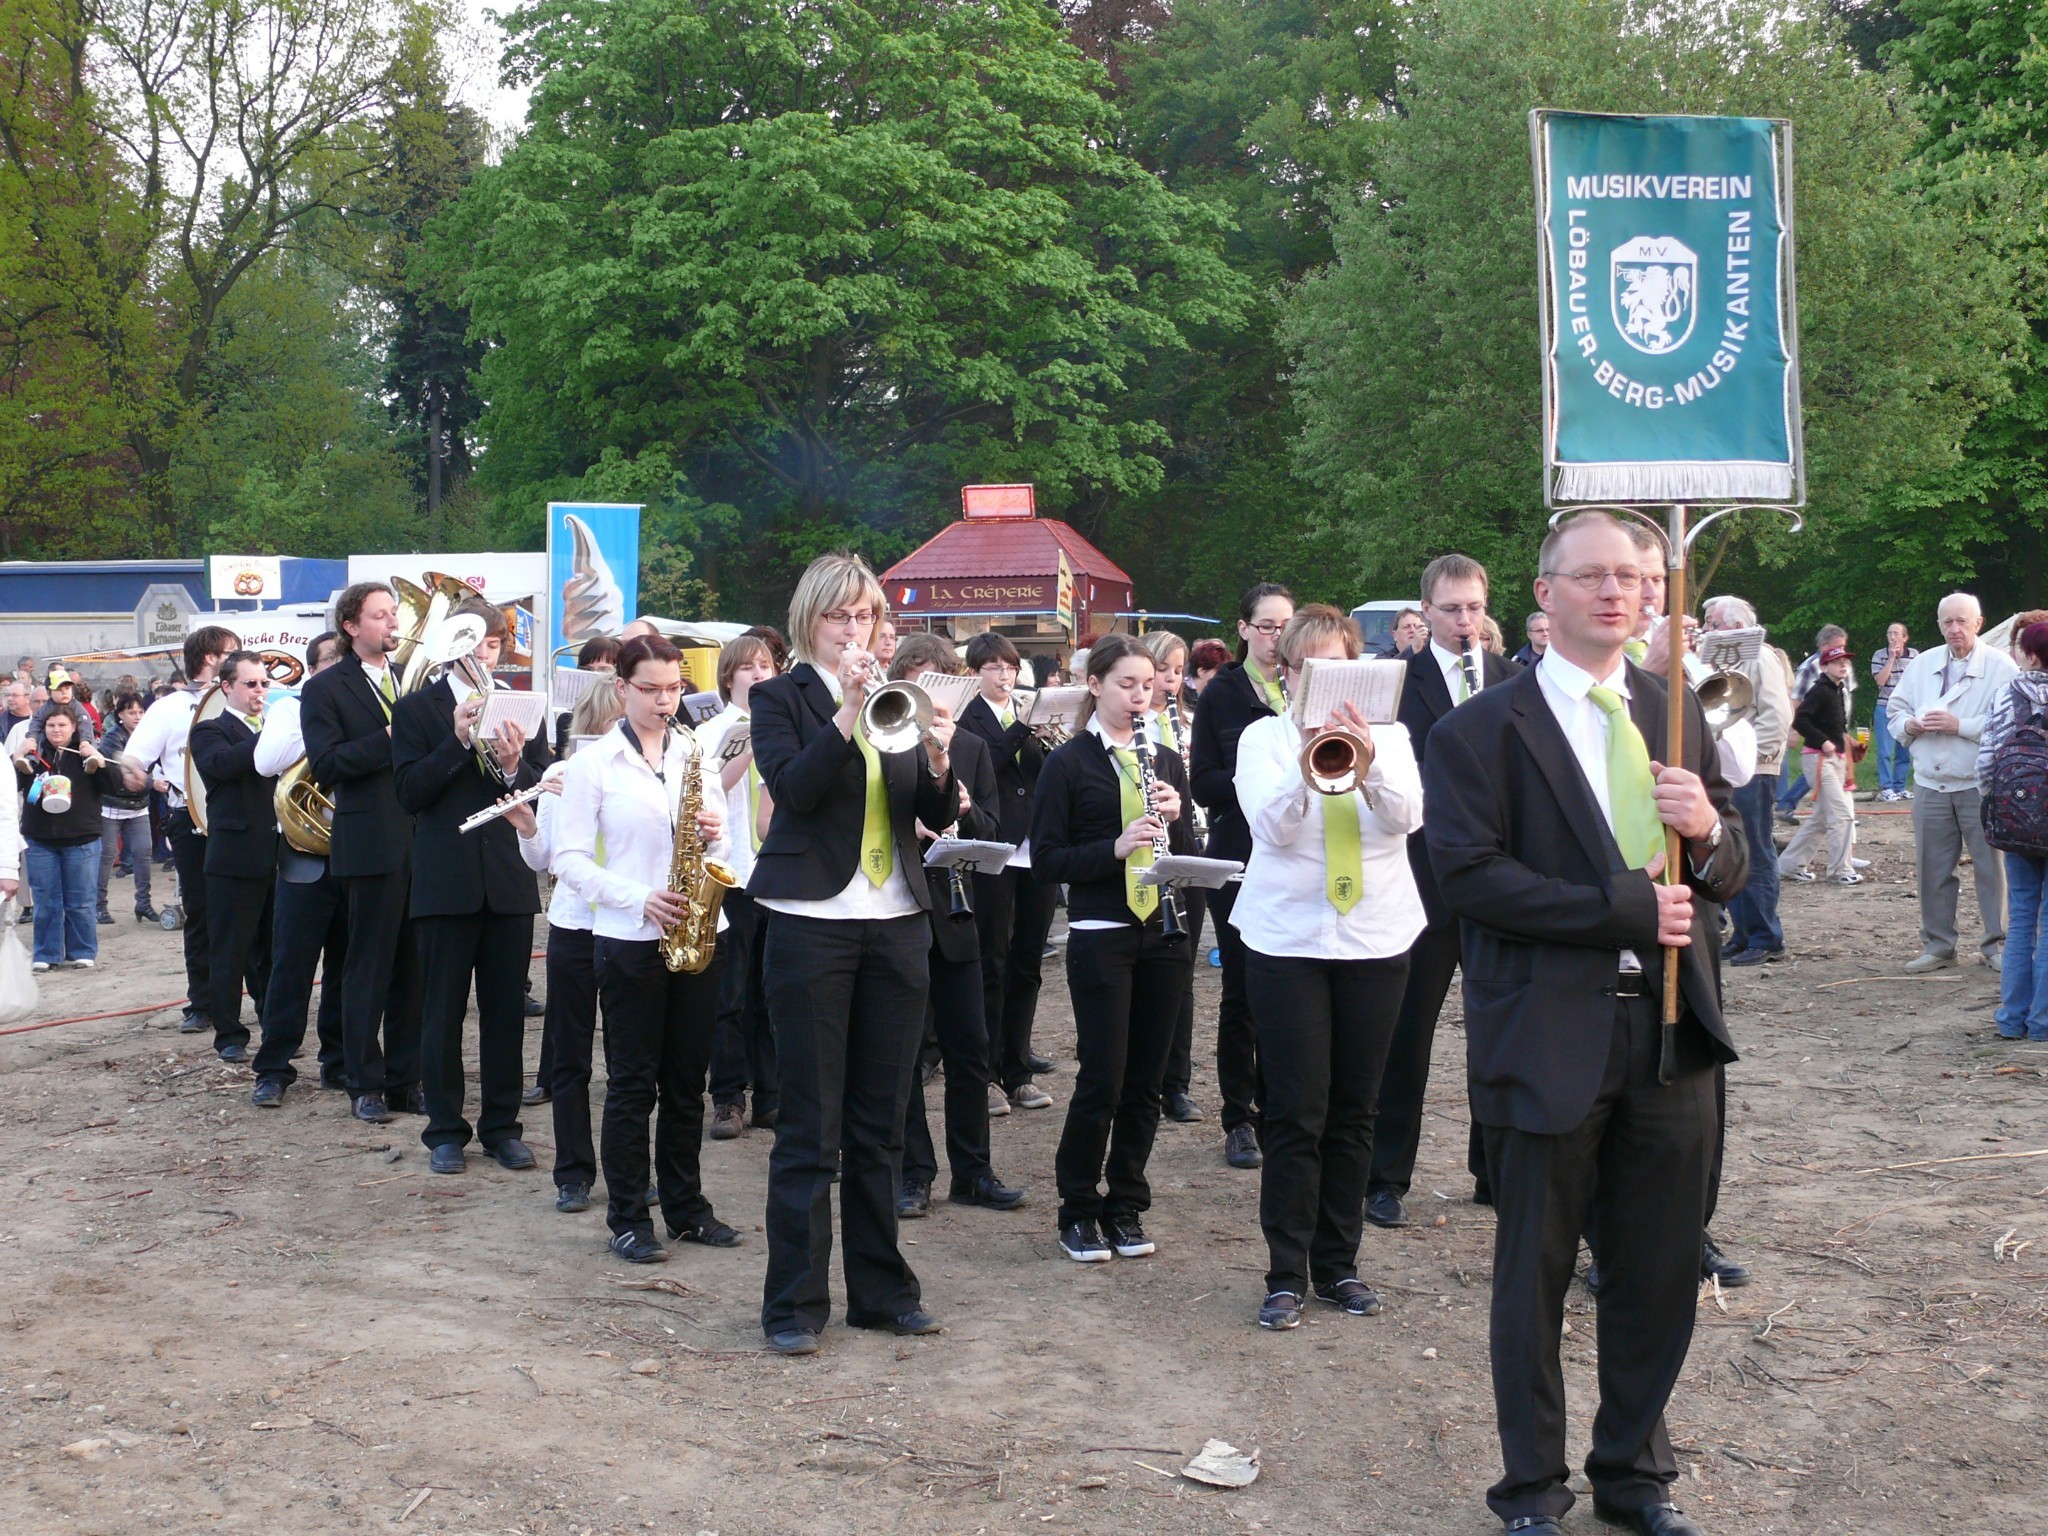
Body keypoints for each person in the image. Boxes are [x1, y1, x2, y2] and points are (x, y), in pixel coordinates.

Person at [1424, 509, 1747, 1536]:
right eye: (1592, 575)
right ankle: (1531, 1489)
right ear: (1544, 593)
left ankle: (1633, 1474)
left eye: (1634, 577)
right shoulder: (1478, 730)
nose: (1617, 592)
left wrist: (1708, 830)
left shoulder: (1673, 710)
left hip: (1671, 1033)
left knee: (1657, 1269)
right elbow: (1468, 878)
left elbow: (1730, 865)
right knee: (1534, 1272)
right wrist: (1620, 908)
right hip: (1545, 1036)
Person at [746, 552, 958, 1354]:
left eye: (866, 615)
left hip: (897, 918)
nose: (854, 629)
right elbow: (794, 792)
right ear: (810, 620)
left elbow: (930, 810)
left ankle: (881, 1292)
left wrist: (939, 756)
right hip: (812, 920)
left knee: (882, 1122)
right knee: (810, 1123)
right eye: (839, 616)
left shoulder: (897, 697)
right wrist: (846, 712)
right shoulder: (779, 697)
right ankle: (795, 1305)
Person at [1233, 606, 1424, 1330]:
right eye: (1309, 668)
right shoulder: (1262, 739)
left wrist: (1367, 761)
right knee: (1295, 1109)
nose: (1324, 682)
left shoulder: (1393, 736)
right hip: (1287, 939)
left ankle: (1339, 1264)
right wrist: (1307, 762)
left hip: (1376, 936)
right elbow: (1271, 829)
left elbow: (1408, 818)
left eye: (1338, 668)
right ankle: (1285, 1272)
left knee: (1355, 1108)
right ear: (1287, 673)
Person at [555, 634, 740, 1259]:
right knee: (634, 1084)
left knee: (687, 1082)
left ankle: (687, 1207)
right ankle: (629, 1218)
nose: (666, 701)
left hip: (698, 931)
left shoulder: (694, 752)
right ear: (621, 689)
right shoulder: (594, 765)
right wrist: (638, 898)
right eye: (651, 689)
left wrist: (714, 834)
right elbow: (569, 860)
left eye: (674, 688)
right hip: (630, 937)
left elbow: (721, 845)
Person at [1367, 554, 1520, 1229]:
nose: (1465, 621)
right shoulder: (1399, 685)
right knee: (1408, 1032)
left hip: (1501, 879)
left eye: (1474, 608)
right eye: (1451, 609)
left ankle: (1495, 1170)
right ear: (1425, 612)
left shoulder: (1515, 677)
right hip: (1424, 875)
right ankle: (1384, 1176)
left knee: (1502, 1029)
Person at [1033, 634, 1195, 1264]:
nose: (1139, 695)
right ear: (1095, 685)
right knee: (1103, 1076)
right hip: (1103, 931)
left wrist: (1177, 819)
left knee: (1146, 1081)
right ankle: (1077, 1208)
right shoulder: (1068, 763)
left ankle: (1126, 1203)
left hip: (1164, 932)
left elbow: (1184, 854)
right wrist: (1114, 849)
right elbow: (1048, 860)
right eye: (1127, 684)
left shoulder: (1166, 759)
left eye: (1148, 685)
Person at [392, 601, 549, 1175]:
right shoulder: (416, 709)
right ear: (450, 645)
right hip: (445, 880)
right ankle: (444, 1131)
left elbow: (540, 786)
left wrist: (512, 767)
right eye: (474, 641)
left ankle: (502, 1128)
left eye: (492, 643)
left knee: (505, 1013)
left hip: (507, 880)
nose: (484, 652)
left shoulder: (521, 704)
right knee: (441, 1013)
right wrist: (457, 742)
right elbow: (409, 793)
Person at [890, 633, 1027, 1218]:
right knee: (902, 1056)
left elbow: (996, 831)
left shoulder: (970, 745)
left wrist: (964, 812)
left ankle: (973, 1172)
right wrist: (912, 829)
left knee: (970, 1049)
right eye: (919, 686)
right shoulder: (883, 739)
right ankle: (912, 1174)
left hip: (958, 909)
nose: (930, 700)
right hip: (899, 910)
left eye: (940, 687)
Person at [302, 582, 424, 1124]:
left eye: (394, 613)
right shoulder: (325, 688)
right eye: (380, 615)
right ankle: (364, 1082)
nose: (393, 622)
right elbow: (327, 765)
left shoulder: (411, 679)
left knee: (413, 971)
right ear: (351, 626)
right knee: (368, 968)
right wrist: (393, 737)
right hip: (370, 841)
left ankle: (406, 1080)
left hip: (420, 842)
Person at [1190, 582, 1295, 1172]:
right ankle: (1239, 1117)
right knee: (1243, 990)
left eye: (1285, 626)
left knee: (1290, 987)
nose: (1277, 636)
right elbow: (1203, 784)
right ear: (1244, 629)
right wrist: (1257, 776)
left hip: (1299, 853)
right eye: (1267, 626)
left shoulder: (1308, 684)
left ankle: (1282, 1108)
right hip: (1238, 852)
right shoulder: (1222, 693)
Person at [512, 684, 623, 1209]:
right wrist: (527, 825)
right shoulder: (562, 773)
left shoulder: (653, 773)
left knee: (630, 1062)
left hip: (630, 926)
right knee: (571, 1057)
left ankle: (628, 1171)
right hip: (575, 925)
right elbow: (543, 859)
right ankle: (573, 1173)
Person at [958, 631, 1059, 1113]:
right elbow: (987, 763)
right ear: (975, 673)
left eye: (1012, 667)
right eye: (995, 667)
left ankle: (1018, 1070)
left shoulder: (1028, 712)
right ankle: (985, 1074)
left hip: (1037, 847)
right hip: (996, 846)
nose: (1005, 676)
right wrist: (1023, 728)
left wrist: (1052, 741)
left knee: (1028, 962)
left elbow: (1045, 775)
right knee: (991, 962)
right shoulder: (967, 716)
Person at [1890, 592, 2018, 973]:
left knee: (1992, 870)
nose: (1955, 628)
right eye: (1948, 621)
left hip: (1981, 785)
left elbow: (2009, 722)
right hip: (1930, 783)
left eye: (1962, 621)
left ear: (1979, 623)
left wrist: (1959, 725)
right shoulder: (1922, 664)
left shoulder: (2001, 667)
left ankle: (1997, 945)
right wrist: (1910, 725)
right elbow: (1895, 710)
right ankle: (1939, 945)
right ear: (1939, 625)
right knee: (1932, 869)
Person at [249, 632, 351, 1105]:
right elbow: (266, 762)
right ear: (312, 670)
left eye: (345, 660)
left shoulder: (366, 705)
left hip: (355, 851)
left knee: (346, 968)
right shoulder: (291, 709)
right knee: (291, 966)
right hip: (304, 855)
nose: (340, 667)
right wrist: (324, 724)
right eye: (330, 660)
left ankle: (338, 1062)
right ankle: (273, 1068)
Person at [125, 625, 238, 1035]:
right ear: (211, 658)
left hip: (243, 817)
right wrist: (134, 773)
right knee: (201, 912)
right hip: (190, 818)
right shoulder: (168, 707)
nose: (239, 657)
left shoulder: (246, 697)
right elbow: (135, 758)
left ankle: (264, 1006)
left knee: (254, 914)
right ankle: (203, 1003)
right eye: (232, 652)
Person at [701, 633, 781, 1139]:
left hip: (775, 873)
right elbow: (710, 791)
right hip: (729, 873)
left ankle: (771, 1096)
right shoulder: (711, 731)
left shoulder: (786, 726)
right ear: (728, 676)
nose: (758, 674)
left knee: (772, 991)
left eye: (765, 666)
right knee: (728, 994)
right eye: (748, 667)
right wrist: (750, 745)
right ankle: (728, 1097)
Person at [187, 651, 281, 1063]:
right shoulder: (210, 730)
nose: (260, 691)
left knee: (273, 951)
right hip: (235, 857)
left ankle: (274, 1025)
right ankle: (229, 1033)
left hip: (278, 853)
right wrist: (276, 734)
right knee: (230, 949)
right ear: (226, 687)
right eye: (251, 684)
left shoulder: (272, 727)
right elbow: (224, 765)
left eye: (264, 684)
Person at [1703, 598, 1792, 967]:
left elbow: (1777, 713)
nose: (1706, 630)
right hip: (1729, 769)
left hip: (1754, 769)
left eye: (1712, 624)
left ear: (1737, 626)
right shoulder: (1727, 662)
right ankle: (1743, 933)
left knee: (1754, 850)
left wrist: (1756, 759)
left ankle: (1765, 936)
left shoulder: (1761, 658)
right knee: (1733, 850)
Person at [1143, 629, 1209, 1124]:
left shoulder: (1188, 722)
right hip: (1141, 851)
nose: (1170, 679)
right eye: (1161, 669)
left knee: (1181, 969)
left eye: (1177, 670)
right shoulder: (1129, 726)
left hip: (1188, 848)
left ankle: (1177, 1083)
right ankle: (1143, 1078)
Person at [14, 703, 124, 970]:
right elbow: (8, 786)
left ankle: (82, 951)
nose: (56, 730)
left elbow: (115, 786)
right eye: (51, 725)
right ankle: (46, 954)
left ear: (74, 727)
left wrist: (98, 760)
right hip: (40, 839)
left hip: (82, 838)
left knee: (81, 900)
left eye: (62, 725)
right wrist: (16, 757)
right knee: (45, 901)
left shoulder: (85, 753)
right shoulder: (33, 755)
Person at [1978, 621, 2048, 1040]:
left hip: (2018, 818)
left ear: (2032, 655)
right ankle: (2042, 1023)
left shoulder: (2007, 694)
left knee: (2021, 918)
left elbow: (1987, 760)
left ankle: (2010, 1019)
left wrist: (1997, 804)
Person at [1779, 646, 1859, 886]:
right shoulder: (1820, 690)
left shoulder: (1838, 690)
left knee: (1822, 818)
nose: (1843, 665)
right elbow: (1800, 719)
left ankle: (1789, 865)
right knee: (1841, 814)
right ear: (1824, 667)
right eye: (1837, 662)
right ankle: (1840, 871)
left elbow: (1834, 726)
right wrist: (1823, 741)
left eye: (1845, 661)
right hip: (1819, 759)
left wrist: (1849, 744)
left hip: (1835, 758)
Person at [1774, 624, 1849, 821]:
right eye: (1838, 647)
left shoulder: (1841, 669)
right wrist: (1793, 730)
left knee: (1825, 782)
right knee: (1818, 771)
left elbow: (1844, 698)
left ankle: (1833, 811)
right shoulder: (1811, 668)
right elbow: (1798, 701)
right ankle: (1787, 803)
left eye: (1844, 647)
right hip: (1819, 739)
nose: (1842, 652)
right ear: (1825, 646)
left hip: (1836, 734)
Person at [94, 692, 156, 925]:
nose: (137, 716)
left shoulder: (149, 735)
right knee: (107, 856)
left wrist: (149, 781)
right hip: (112, 805)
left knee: (143, 853)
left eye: (140, 712)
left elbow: (153, 767)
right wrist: (148, 782)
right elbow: (119, 775)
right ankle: (98, 905)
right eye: (131, 712)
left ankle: (144, 903)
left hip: (139, 805)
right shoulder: (112, 739)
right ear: (120, 714)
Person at [1870, 623, 1918, 801]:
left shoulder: (1914, 655)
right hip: (1885, 706)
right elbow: (1880, 681)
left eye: (1896, 633)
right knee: (1884, 751)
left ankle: (1899, 787)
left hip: (1906, 708)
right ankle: (1886, 788)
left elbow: (1918, 681)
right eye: (1889, 633)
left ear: (1905, 638)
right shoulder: (1879, 655)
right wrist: (1891, 659)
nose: (1892, 637)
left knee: (1904, 750)